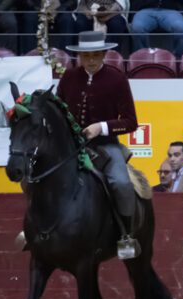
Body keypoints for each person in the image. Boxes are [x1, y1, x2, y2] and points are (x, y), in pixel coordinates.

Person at [57, 31, 138, 226]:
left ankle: (127, 232)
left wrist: (101, 127)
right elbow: (58, 110)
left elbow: (130, 122)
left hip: (106, 146)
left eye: (95, 55)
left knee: (121, 183)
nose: (90, 60)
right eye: (86, 56)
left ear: (104, 54)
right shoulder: (68, 77)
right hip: (69, 147)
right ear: (79, 56)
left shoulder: (117, 79)